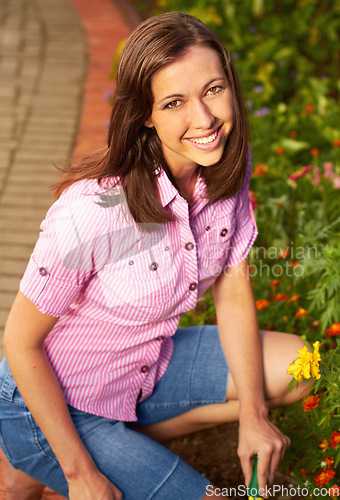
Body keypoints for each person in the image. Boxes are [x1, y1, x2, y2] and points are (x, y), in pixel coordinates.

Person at [0, 12, 309, 500]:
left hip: (146, 366)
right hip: (55, 402)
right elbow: (19, 343)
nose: (205, 120)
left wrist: (254, 413)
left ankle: (119, 445)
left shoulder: (225, 165)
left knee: (301, 365)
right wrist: (82, 475)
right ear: (145, 112)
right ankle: (49, 455)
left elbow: (232, 287)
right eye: (174, 102)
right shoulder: (95, 209)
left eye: (213, 89)